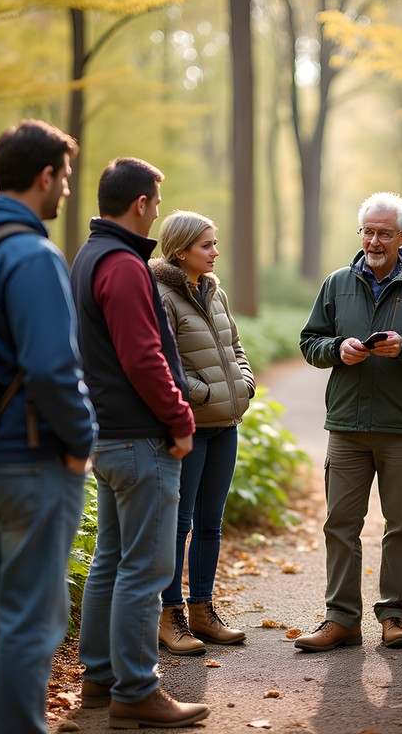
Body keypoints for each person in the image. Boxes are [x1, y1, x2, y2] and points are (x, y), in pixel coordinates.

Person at [0, 119, 98, 734]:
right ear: (44, 176)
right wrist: (82, 441)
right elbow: (53, 367)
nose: (64, 191)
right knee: (30, 620)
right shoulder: (29, 253)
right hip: (30, 463)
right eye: (64, 177)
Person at [70, 158, 209, 727]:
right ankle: (136, 690)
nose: (156, 208)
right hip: (138, 438)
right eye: (154, 199)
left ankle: (99, 678)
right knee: (146, 570)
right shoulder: (125, 266)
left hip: (108, 435)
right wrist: (179, 419)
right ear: (140, 203)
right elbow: (142, 356)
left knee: (111, 561)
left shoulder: (87, 257)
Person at [296, 191, 402, 652]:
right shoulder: (337, 283)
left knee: (399, 525)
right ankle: (341, 619)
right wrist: (337, 350)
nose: (374, 240)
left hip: (401, 428)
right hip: (346, 426)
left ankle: (393, 617)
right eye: (367, 231)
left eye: (384, 233)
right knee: (339, 524)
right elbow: (310, 342)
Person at [149, 211, 255, 655]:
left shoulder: (215, 292)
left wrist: (244, 383)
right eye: (206, 245)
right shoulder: (161, 296)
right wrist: (210, 392)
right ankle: (168, 615)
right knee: (180, 523)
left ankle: (201, 609)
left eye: (215, 243)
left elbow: (235, 346)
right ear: (180, 251)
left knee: (211, 522)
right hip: (189, 426)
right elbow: (163, 366)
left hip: (225, 425)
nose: (215, 252)